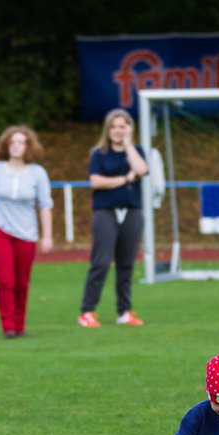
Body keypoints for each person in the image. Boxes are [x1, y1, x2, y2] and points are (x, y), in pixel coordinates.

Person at [0, 125, 55, 338]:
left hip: (27, 233)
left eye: (21, 142)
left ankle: (20, 326)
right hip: (0, 231)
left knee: (21, 282)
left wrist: (47, 236)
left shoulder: (38, 173)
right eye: (13, 142)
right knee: (6, 280)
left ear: (28, 147)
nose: (16, 146)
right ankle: (8, 326)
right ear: (6, 146)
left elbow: (45, 205)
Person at [77, 109, 149, 328]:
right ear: (107, 129)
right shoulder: (99, 154)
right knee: (100, 262)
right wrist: (126, 179)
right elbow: (96, 182)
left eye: (122, 126)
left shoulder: (136, 150)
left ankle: (124, 312)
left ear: (129, 129)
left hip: (132, 211)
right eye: (114, 126)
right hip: (105, 211)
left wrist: (128, 146)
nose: (118, 130)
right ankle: (87, 311)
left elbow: (142, 170)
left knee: (126, 264)